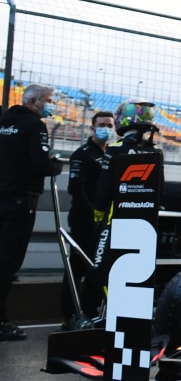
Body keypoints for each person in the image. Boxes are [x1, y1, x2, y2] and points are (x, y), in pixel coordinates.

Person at [85, 98, 166, 315]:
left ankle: (109, 315)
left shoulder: (115, 150)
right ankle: (135, 315)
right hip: (146, 224)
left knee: (101, 269)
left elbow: (104, 189)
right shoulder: (156, 152)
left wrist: (98, 216)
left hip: (116, 221)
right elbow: (161, 190)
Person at [0, 84, 60, 340]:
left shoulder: (5, 122)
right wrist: (54, 166)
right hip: (19, 204)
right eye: (47, 100)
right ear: (33, 101)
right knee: (7, 263)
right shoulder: (34, 125)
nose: (49, 105)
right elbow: (39, 164)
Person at [64, 109, 115, 321]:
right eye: (102, 125)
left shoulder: (111, 154)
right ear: (93, 127)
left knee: (98, 269)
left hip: (103, 223)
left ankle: (91, 311)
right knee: (76, 270)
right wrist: (93, 213)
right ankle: (69, 315)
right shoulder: (82, 153)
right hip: (83, 221)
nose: (106, 129)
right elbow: (75, 187)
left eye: (110, 125)